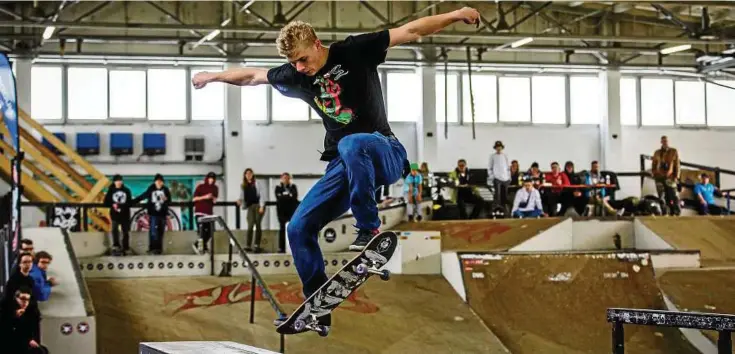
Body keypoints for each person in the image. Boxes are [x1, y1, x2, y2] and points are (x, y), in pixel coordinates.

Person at [191, 7, 481, 321]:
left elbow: (411, 31)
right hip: (343, 167)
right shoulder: (295, 73)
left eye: (303, 59)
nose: (299, 69)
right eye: (293, 63)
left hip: (385, 152)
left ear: (317, 43)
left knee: (352, 141)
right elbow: (252, 76)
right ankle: (318, 303)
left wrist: (456, 14)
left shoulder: (355, 51)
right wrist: (212, 76)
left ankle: (369, 229)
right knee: (299, 227)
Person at [132, 174, 172, 255]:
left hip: (162, 213)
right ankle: (152, 248)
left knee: (161, 231)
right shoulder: (151, 188)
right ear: (155, 182)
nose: (159, 183)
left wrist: (166, 199)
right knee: (153, 232)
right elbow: (144, 195)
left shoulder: (166, 189)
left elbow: (169, 200)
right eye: (157, 182)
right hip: (153, 213)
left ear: (162, 182)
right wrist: (133, 201)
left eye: (160, 182)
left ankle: (159, 249)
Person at [0, 286, 45, 354]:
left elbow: (34, 331)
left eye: (28, 299)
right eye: (23, 299)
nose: (25, 302)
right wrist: (14, 316)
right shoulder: (6, 309)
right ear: (16, 298)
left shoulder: (32, 312)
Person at [237, 168, 266, 253]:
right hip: (250, 207)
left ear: (252, 174)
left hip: (258, 205)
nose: (248, 175)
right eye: (247, 174)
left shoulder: (257, 183)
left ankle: (257, 245)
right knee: (250, 225)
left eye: (250, 173)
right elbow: (242, 196)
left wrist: (262, 206)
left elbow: (262, 195)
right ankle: (248, 245)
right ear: (245, 175)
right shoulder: (243, 185)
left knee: (258, 224)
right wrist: (240, 200)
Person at [103, 174, 133, 256]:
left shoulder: (127, 190)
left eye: (120, 181)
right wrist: (113, 204)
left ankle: (125, 247)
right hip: (115, 215)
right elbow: (106, 202)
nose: (119, 183)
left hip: (125, 214)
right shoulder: (111, 191)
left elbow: (129, 202)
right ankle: (116, 245)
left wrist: (120, 206)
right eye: (117, 181)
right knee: (114, 230)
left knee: (125, 231)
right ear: (114, 182)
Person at [652, 135, 681, 216]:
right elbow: (654, 164)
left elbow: (677, 165)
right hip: (659, 177)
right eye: (663, 141)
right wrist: (654, 173)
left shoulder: (673, 151)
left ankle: (676, 212)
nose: (665, 142)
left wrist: (676, 176)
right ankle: (665, 212)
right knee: (661, 196)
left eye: (666, 141)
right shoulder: (657, 152)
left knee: (673, 196)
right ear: (661, 142)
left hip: (670, 177)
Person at [192, 172, 219, 255]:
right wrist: (205, 197)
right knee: (202, 231)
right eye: (210, 178)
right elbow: (194, 199)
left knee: (211, 231)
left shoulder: (215, 188)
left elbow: (215, 199)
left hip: (209, 213)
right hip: (200, 211)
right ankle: (200, 246)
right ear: (207, 178)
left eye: (213, 178)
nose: (211, 180)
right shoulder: (201, 187)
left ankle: (202, 246)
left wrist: (213, 198)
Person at [275, 173, 299, 253]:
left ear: (289, 179)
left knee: (292, 229)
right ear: (281, 179)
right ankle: (281, 248)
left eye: (287, 178)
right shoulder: (278, 188)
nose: (285, 179)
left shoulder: (293, 187)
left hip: (291, 211)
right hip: (281, 212)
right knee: (282, 229)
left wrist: (284, 195)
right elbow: (279, 197)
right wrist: (288, 195)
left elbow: (294, 197)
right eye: (284, 178)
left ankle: (293, 247)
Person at [487, 140, 511, 208]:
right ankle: (496, 209)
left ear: (502, 147)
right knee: (497, 196)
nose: (498, 148)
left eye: (500, 147)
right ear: (495, 148)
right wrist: (492, 176)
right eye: (497, 147)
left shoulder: (505, 156)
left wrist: (509, 177)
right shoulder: (492, 156)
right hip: (497, 178)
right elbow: (489, 167)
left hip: (505, 179)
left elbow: (508, 167)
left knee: (505, 196)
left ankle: (504, 210)